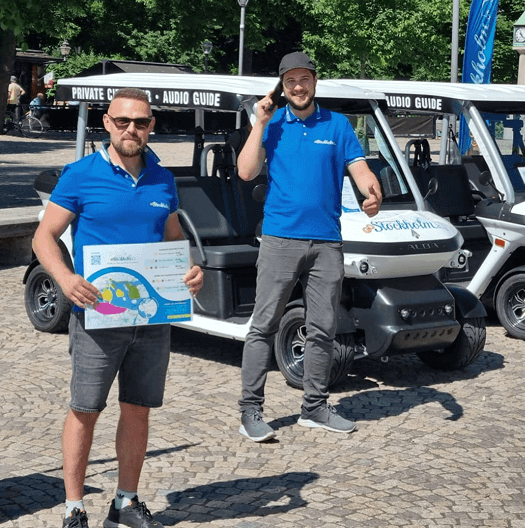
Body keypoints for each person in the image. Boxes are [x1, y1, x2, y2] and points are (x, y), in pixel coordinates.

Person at [31, 89, 204, 528]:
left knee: (138, 408)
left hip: (151, 316)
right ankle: (74, 507)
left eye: (141, 122)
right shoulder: (80, 174)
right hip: (97, 315)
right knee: (85, 409)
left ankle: (124, 502)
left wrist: (189, 269)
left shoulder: (163, 179)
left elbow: (169, 237)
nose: (132, 129)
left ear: (151, 126)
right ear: (107, 123)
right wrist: (67, 279)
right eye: (123, 121)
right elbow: (43, 238)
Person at [237, 51, 382, 440]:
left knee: (323, 328)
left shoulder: (337, 125)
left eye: (304, 79)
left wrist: (372, 193)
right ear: (282, 86)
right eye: (290, 81)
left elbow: (361, 170)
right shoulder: (272, 124)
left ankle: (314, 407)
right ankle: (250, 410)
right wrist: (259, 122)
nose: (298, 87)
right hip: (280, 239)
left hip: (327, 242)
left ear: (315, 82)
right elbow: (246, 170)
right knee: (263, 326)